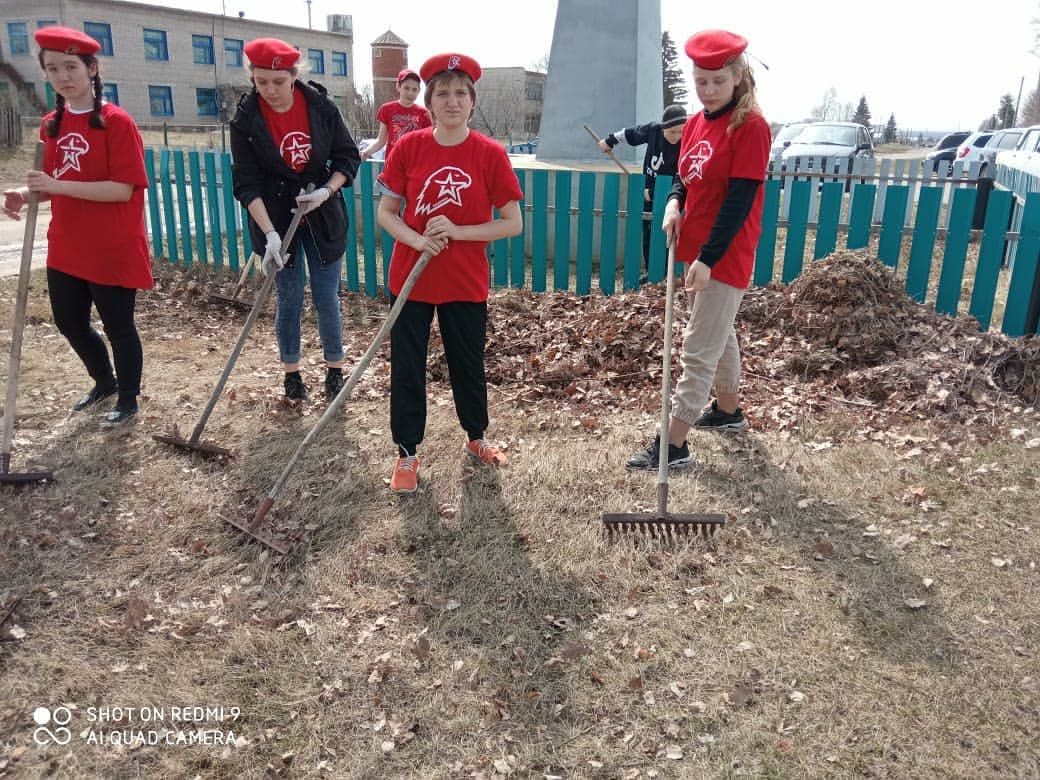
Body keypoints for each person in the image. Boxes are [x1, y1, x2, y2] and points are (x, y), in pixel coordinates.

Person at [376, 52, 523, 494]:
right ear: (430, 101)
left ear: (472, 102)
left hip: (464, 281)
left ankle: (476, 436)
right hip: (412, 279)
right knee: (407, 368)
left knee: (467, 363)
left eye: (461, 93)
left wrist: (457, 231)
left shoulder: (490, 154)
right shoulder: (409, 147)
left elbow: (512, 222)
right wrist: (417, 239)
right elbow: (387, 212)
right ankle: (407, 453)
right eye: (443, 93)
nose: (452, 101)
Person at [626, 29, 769, 471]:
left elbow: (740, 201)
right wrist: (673, 203)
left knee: (697, 348)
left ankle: (674, 445)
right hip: (696, 247)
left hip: (724, 253)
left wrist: (708, 259)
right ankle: (728, 412)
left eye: (718, 82)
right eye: (700, 81)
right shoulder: (693, 124)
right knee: (718, 332)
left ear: (738, 78)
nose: (707, 91)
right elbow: (683, 176)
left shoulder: (750, 128)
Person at [2, 26, 152, 426]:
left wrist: (56, 185)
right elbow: (54, 182)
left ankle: (128, 398)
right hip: (68, 244)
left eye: (71, 66)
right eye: (53, 68)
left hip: (112, 243)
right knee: (69, 322)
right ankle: (103, 381)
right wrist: (24, 191)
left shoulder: (117, 123)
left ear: (92, 69)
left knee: (119, 326)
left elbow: (122, 189)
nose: (63, 76)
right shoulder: (51, 124)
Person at [229, 37, 361, 402]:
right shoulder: (245, 121)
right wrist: (269, 234)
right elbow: (246, 182)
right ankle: (292, 374)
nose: (269, 90)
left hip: (322, 218)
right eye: (261, 82)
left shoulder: (321, 108)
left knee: (325, 296)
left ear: (293, 76)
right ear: (252, 77)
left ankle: (334, 369)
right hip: (274, 220)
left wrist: (327, 191)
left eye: (278, 81)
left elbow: (348, 157)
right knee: (288, 298)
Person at [597, 104, 687, 280]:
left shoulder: (688, 142)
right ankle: (652, 271)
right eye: (672, 131)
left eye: (681, 131)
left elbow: (683, 177)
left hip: (674, 197)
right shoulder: (653, 131)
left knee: (671, 232)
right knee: (649, 232)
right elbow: (629, 134)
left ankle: (668, 273)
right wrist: (609, 141)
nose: (677, 136)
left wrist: (656, 194)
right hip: (647, 193)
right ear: (663, 128)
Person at [360, 69, 432, 163]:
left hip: (415, 165)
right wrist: (366, 152)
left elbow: (428, 143)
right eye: (406, 88)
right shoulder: (386, 109)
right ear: (398, 86)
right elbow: (381, 140)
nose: (410, 93)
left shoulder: (425, 113)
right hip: (393, 164)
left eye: (414, 89)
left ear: (419, 91)